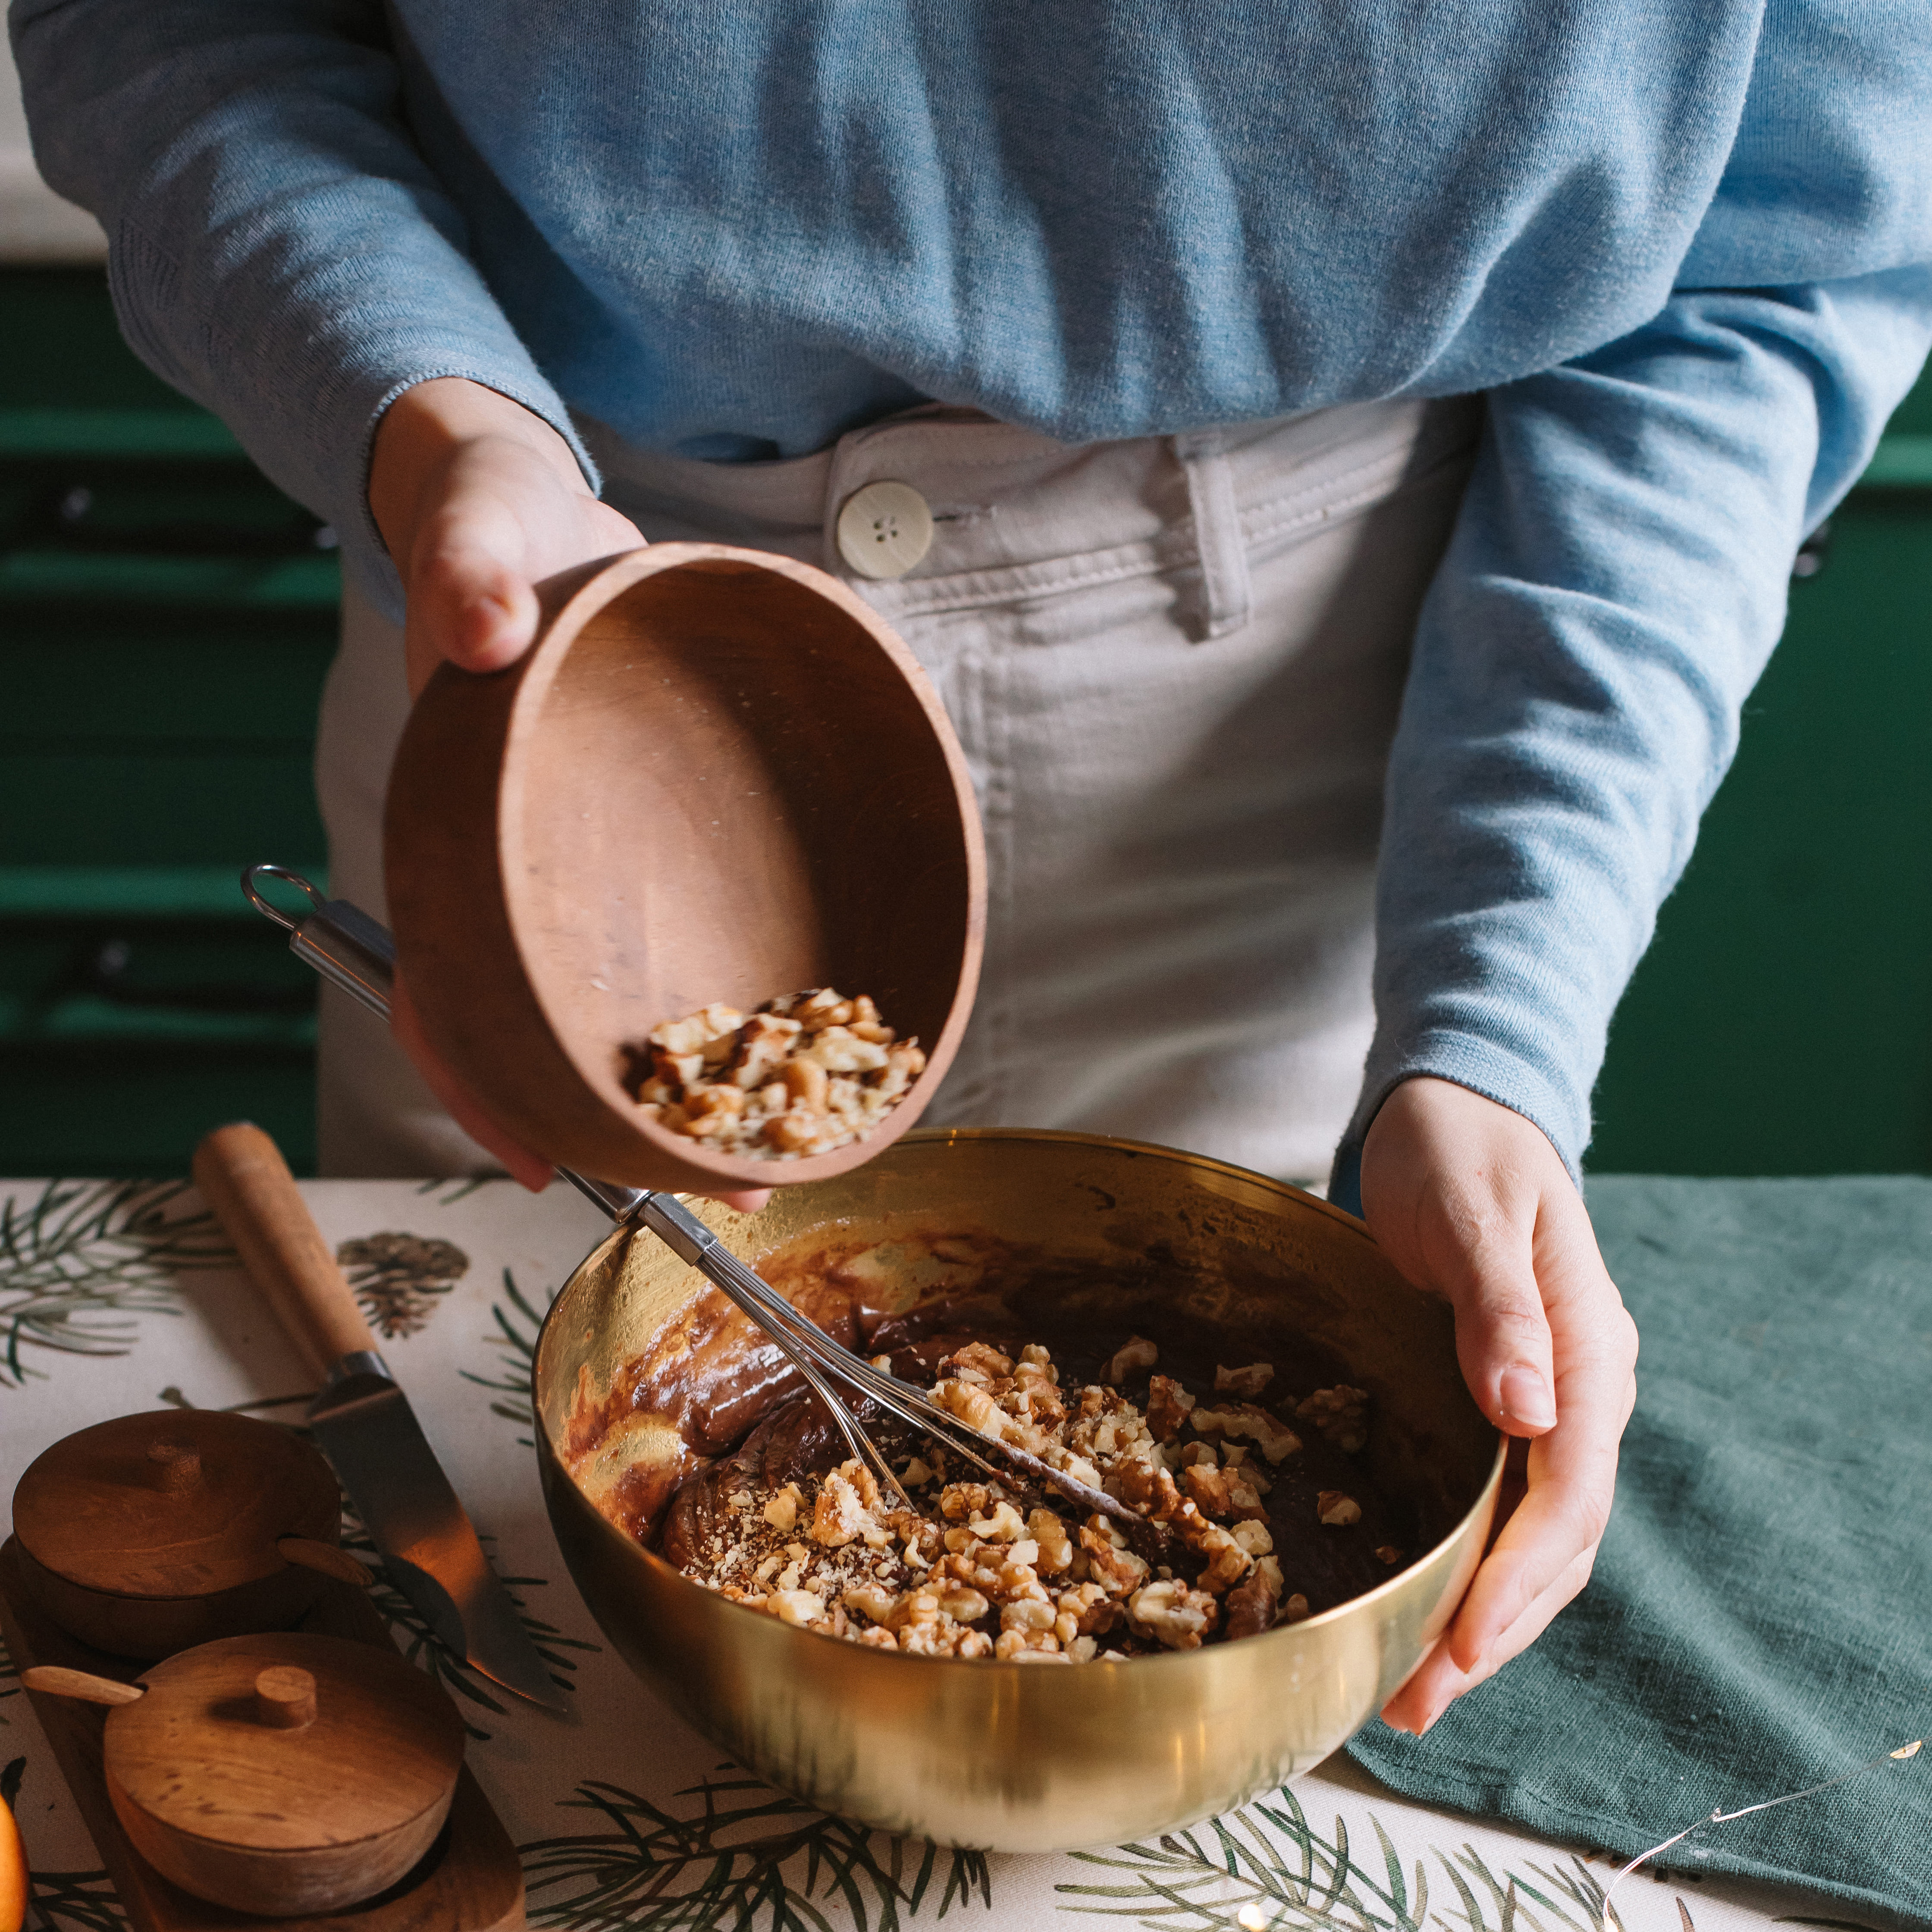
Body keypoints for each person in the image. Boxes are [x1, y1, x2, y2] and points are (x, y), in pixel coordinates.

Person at [12, 0, 1927, 1737]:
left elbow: (1772, 263)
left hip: (1340, 723)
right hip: (565, 639)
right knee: (505, 1662)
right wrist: (428, 424)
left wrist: (1494, 1017)